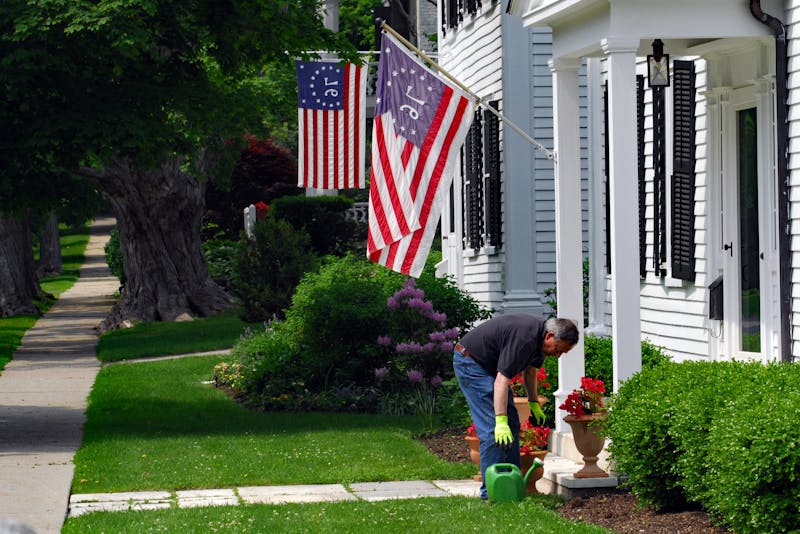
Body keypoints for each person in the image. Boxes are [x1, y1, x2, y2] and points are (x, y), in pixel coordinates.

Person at [453, 314, 579, 500]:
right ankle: (493, 494)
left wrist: (533, 402)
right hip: (471, 362)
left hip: (487, 366)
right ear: (550, 336)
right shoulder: (525, 339)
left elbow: (530, 372)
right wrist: (500, 421)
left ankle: (512, 487)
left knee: (512, 424)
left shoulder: (540, 342)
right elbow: (501, 381)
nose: (558, 355)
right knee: (492, 429)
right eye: (559, 349)